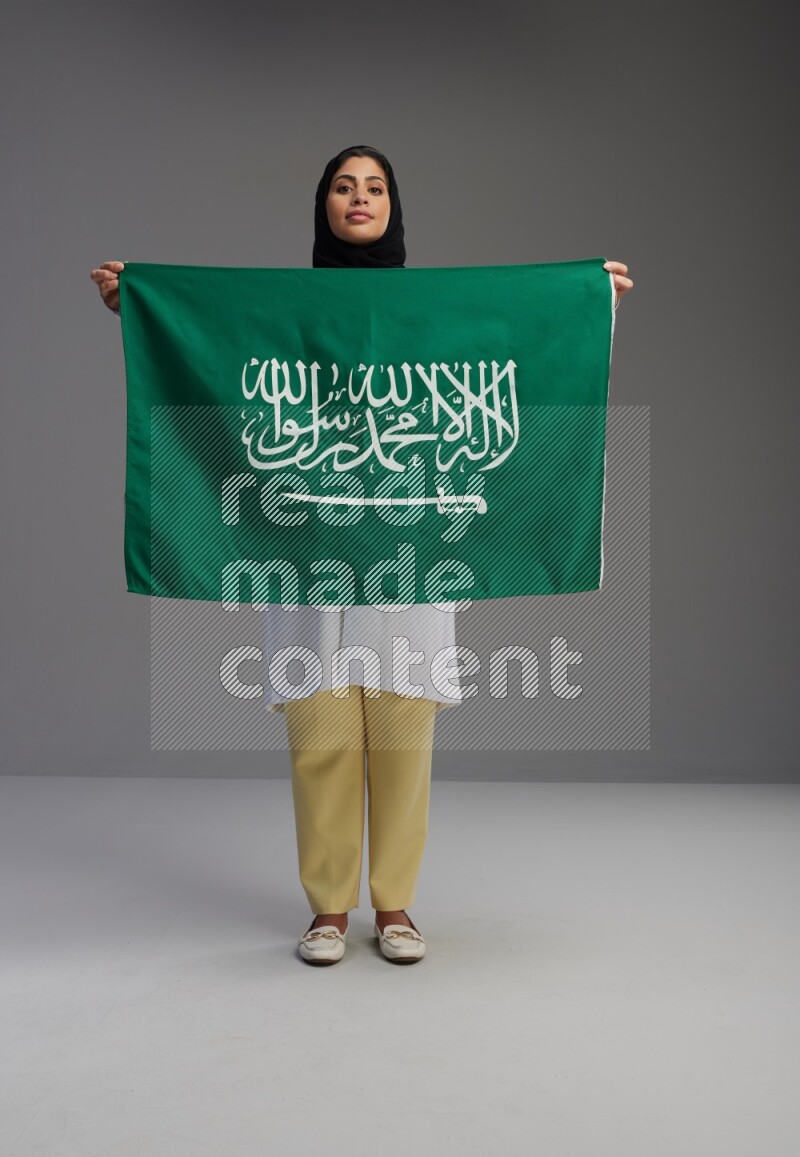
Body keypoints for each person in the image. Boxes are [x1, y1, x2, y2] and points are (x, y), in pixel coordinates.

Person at [90, 146, 634, 967]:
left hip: (411, 553)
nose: (359, 198)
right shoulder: (280, 313)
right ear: (324, 205)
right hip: (307, 550)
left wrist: (586, 301)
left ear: (393, 207)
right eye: (344, 186)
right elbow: (209, 342)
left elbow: (514, 337)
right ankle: (328, 910)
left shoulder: (435, 316)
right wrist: (139, 305)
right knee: (322, 735)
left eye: (374, 187)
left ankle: (396, 903)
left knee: (403, 736)